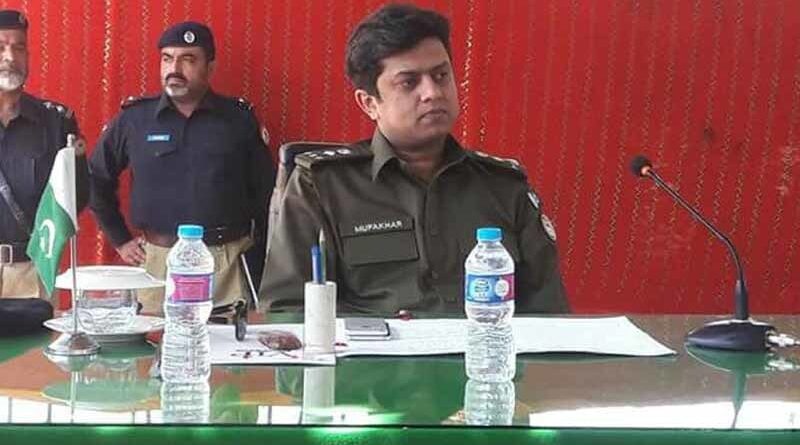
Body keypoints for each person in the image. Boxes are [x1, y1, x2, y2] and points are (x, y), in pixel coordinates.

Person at [260, 4, 569, 315]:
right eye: (409, 82)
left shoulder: (504, 187)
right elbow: (287, 310)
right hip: (367, 347)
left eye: (441, 75)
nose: (432, 92)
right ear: (369, 103)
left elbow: (550, 314)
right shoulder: (324, 186)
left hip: (485, 345)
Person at [90, 21, 273, 314]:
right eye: (167, 58)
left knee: (229, 341)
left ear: (210, 68)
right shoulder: (135, 120)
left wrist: (260, 257)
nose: (174, 68)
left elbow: (267, 195)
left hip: (225, 263)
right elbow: (95, 179)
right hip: (157, 263)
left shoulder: (238, 120)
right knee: (154, 341)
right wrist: (120, 239)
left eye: (188, 59)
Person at [0, 9, 88, 298]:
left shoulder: (56, 122)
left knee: (34, 331)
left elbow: (77, 197)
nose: (10, 57)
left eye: (18, 48)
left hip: (31, 270)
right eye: (1, 47)